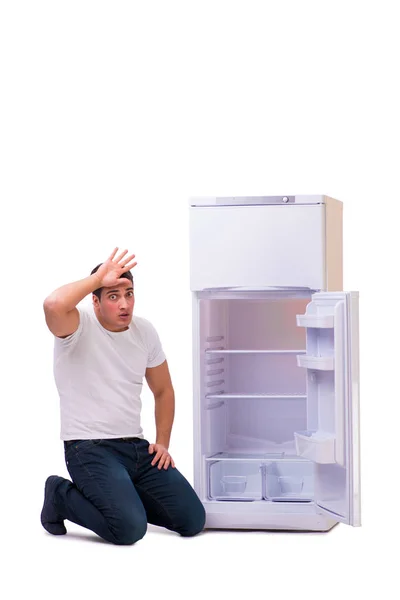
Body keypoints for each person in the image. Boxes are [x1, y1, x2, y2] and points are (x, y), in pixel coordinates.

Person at [40, 247, 206, 545]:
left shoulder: (144, 331)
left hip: (135, 447)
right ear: (96, 301)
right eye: (113, 296)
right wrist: (97, 278)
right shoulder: (77, 326)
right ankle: (59, 495)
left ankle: (122, 495)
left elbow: (163, 390)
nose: (124, 303)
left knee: (192, 520)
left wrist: (163, 443)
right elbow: (52, 304)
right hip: (88, 447)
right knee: (129, 529)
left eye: (129, 293)